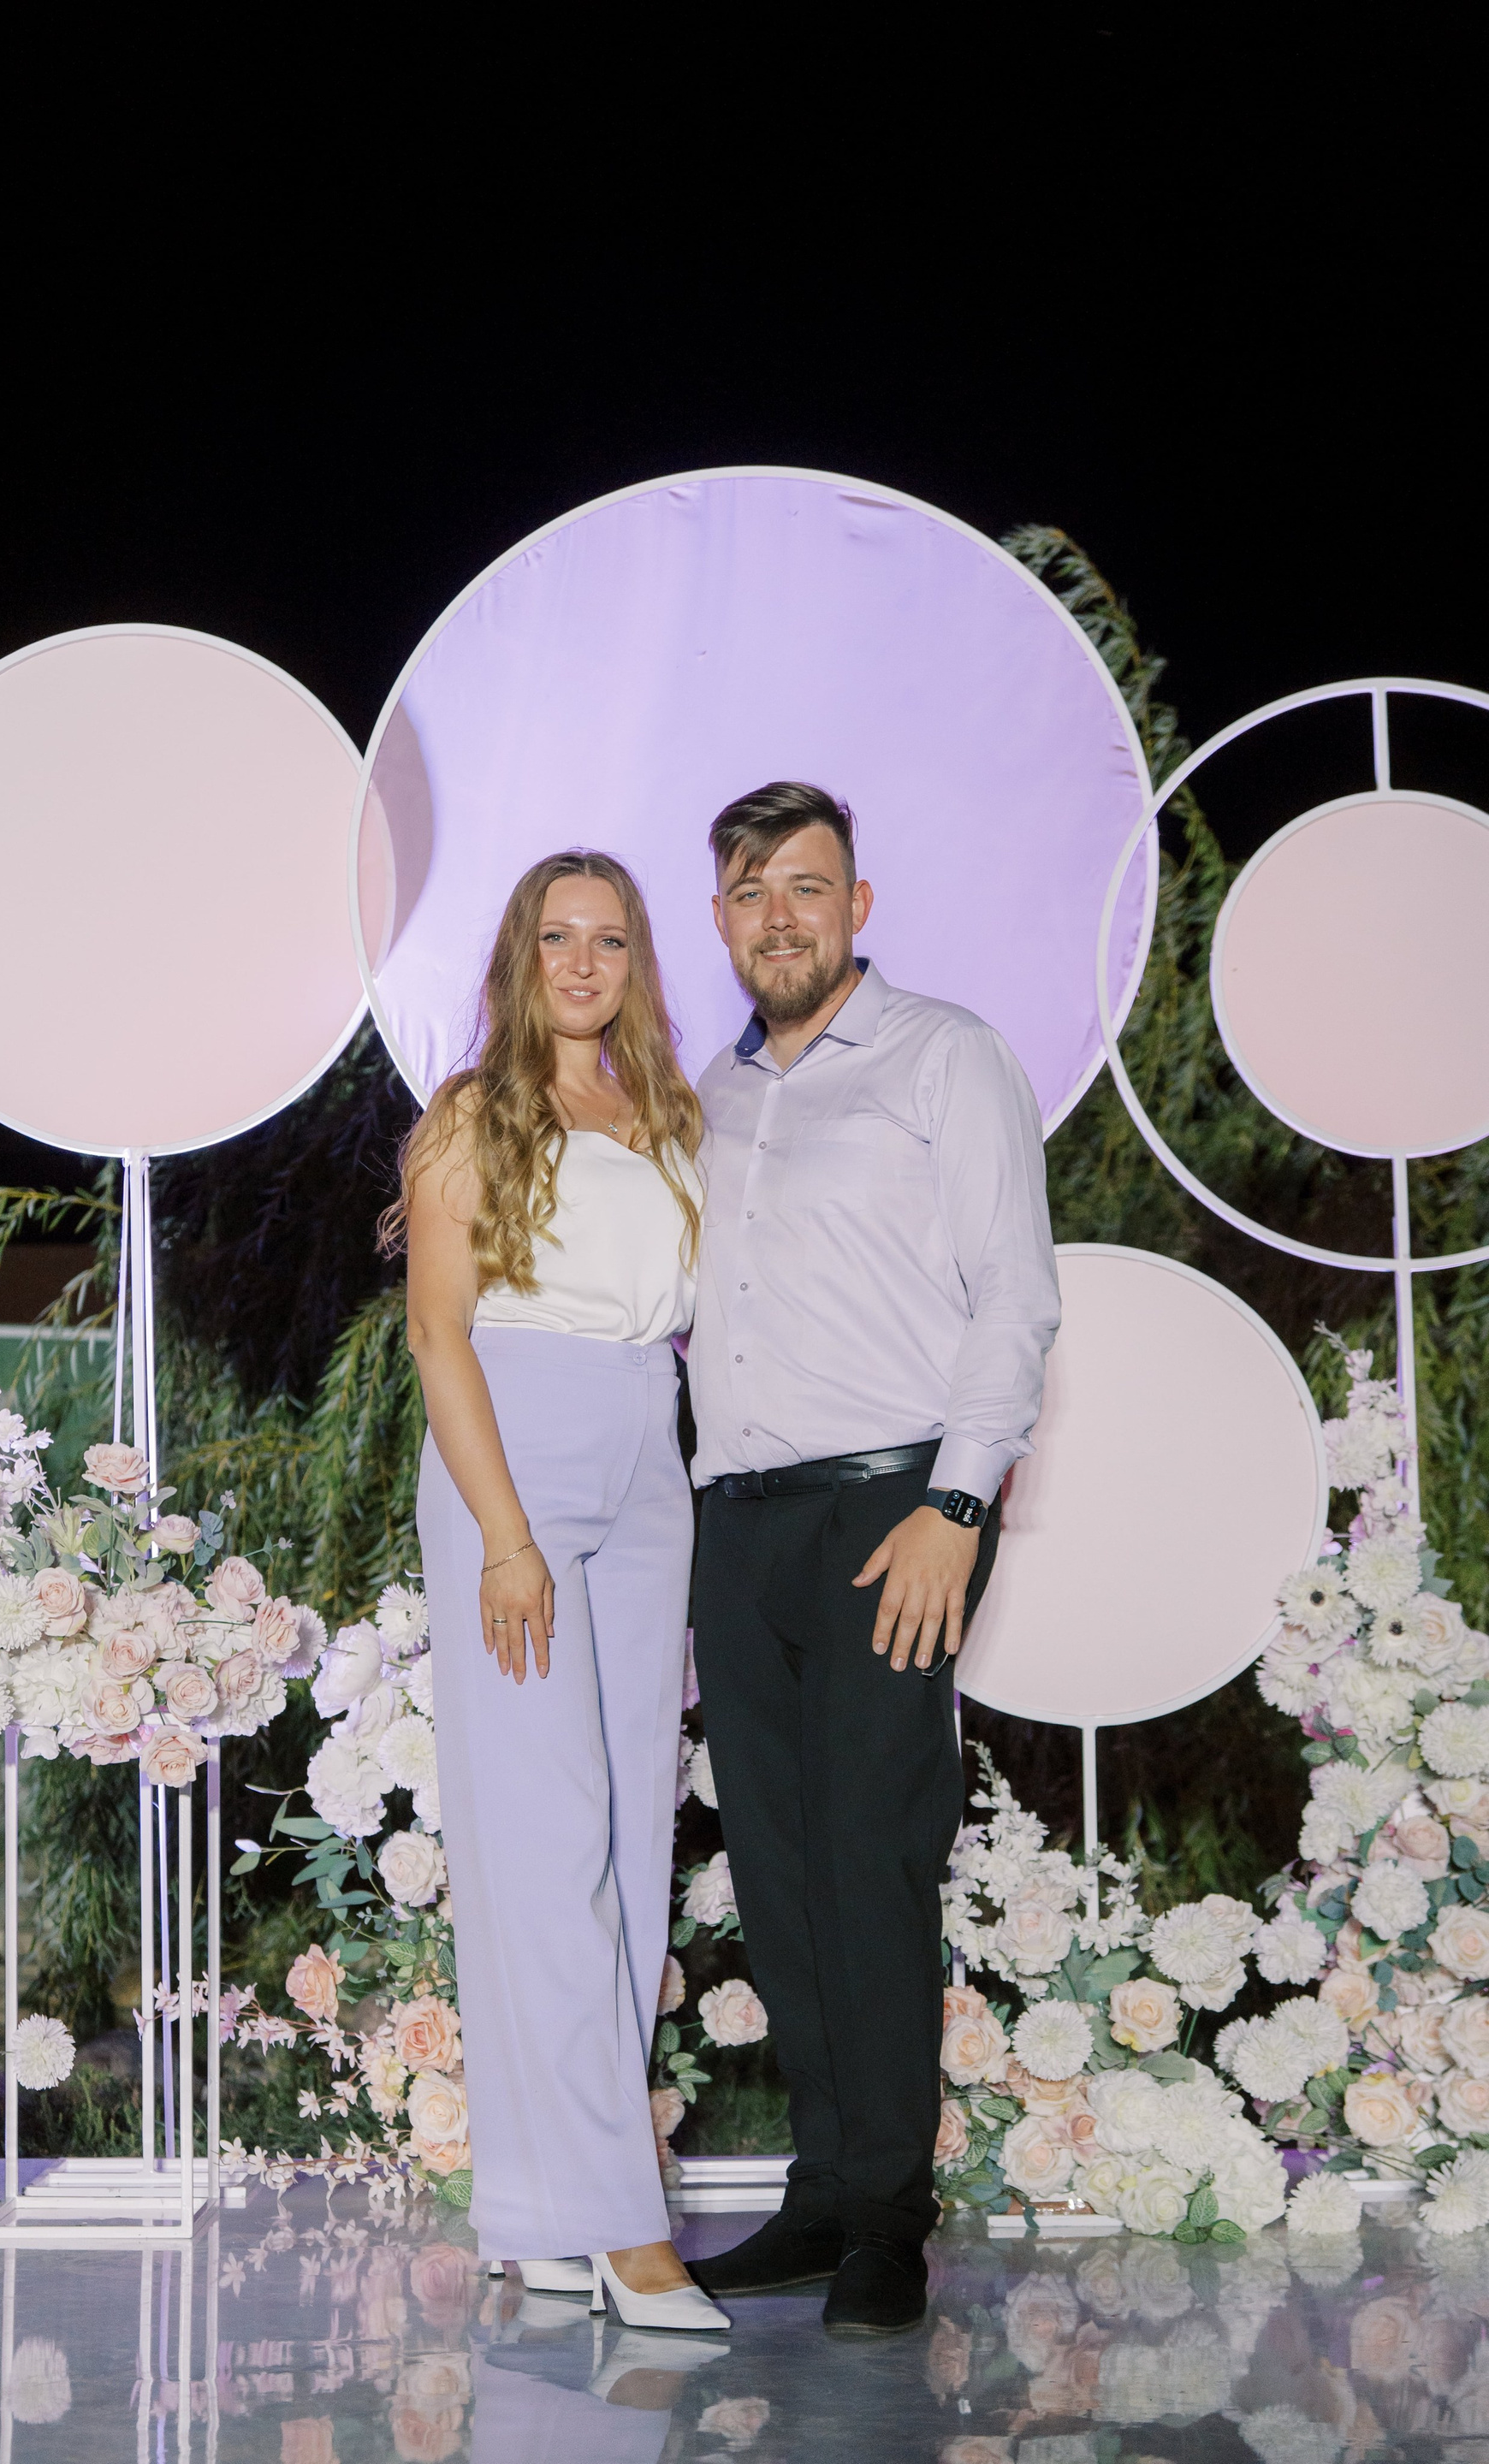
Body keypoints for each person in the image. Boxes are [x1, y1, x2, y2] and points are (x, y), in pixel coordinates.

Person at [683, 782, 1060, 2337]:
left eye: (807, 886)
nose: (780, 916)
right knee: (777, 1870)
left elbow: (1015, 1297)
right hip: (737, 1522)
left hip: (890, 1510)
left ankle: (890, 2220)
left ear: (858, 906)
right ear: (721, 918)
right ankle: (824, 2193)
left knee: (871, 1856)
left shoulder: (945, 1057)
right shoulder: (706, 1092)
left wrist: (955, 1509)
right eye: (751, 890)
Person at [396, 850, 728, 2333]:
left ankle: (538, 2209)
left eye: (610, 939)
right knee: (540, 1841)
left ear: (637, 961)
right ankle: (620, 2225)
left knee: (628, 1835)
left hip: (650, 1449)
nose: (584, 962)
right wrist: (505, 1534)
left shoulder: (671, 1116)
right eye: (556, 937)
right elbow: (438, 1333)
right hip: (512, 1454)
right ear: (519, 959)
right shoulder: (473, 1113)